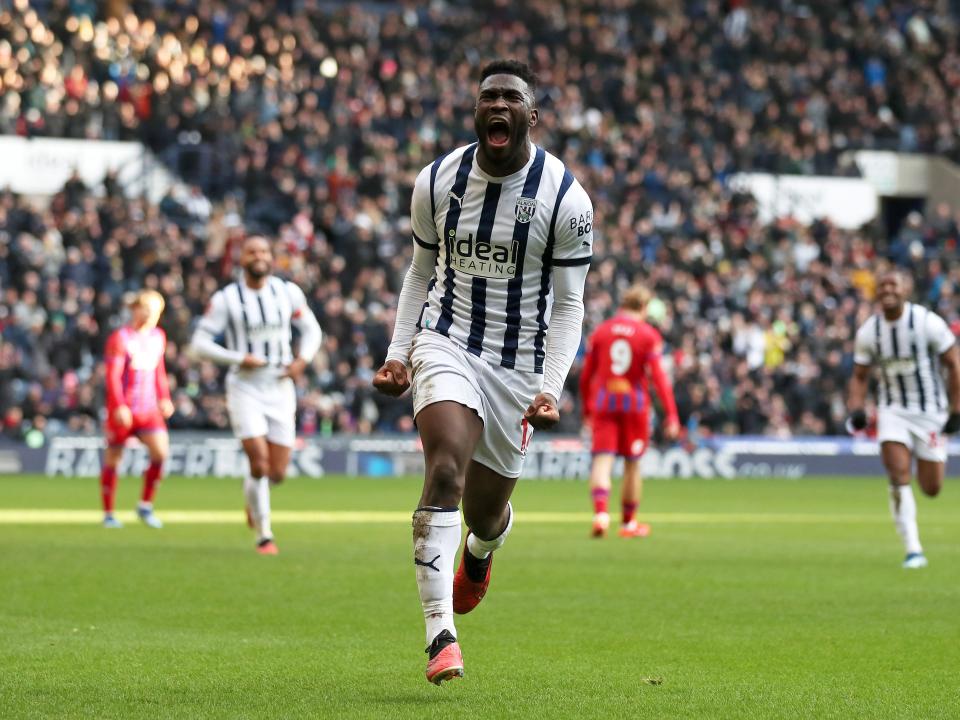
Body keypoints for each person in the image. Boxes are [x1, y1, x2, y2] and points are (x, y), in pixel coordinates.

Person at [372, 59, 593, 685]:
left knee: (486, 511)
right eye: (488, 96)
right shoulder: (438, 180)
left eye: (512, 97)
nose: (498, 104)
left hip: (520, 366)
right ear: (477, 112)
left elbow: (571, 303)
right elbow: (420, 273)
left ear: (531, 115)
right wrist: (398, 351)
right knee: (442, 466)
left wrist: (550, 388)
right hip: (446, 341)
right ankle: (440, 634)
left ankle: (481, 551)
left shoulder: (566, 198)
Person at [189, 236, 322, 555]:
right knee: (259, 463)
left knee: (276, 472)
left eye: (264, 251)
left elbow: (312, 330)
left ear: (272, 258)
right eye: (252, 252)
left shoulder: (287, 292)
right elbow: (199, 344)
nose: (259, 256)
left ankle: (252, 495)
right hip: (245, 386)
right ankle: (265, 535)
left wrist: (302, 360)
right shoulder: (227, 299)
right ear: (241, 259)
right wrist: (238, 358)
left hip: (280, 386)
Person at [847, 270, 960, 569]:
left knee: (931, 488)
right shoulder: (870, 330)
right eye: (881, 284)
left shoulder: (926, 322)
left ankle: (914, 544)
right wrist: (857, 407)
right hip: (892, 410)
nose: (887, 290)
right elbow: (859, 375)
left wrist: (956, 410)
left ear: (906, 289)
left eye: (892, 284)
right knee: (897, 474)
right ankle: (913, 549)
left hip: (930, 413)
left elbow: (954, 362)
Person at [579, 284, 680, 539]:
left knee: (602, 460)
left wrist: (587, 409)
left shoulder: (601, 332)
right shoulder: (647, 335)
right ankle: (628, 523)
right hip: (634, 406)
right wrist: (671, 414)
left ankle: (601, 515)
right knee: (633, 465)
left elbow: (586, 376)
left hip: (604, 403)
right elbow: (658, 378)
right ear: (644, 308)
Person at [100, 290, 174, 529]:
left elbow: (159, 372)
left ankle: (145, 506)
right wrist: (119, 405)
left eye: (157, 312)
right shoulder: (121, 338)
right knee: (114, 459)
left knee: (161, 453)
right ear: (136, 309)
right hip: (124, 410)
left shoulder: (158, 337)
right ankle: (109, 513)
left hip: (149, 408)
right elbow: (112, 376)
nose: (152, 316)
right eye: (149, 310)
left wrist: (165, 397)